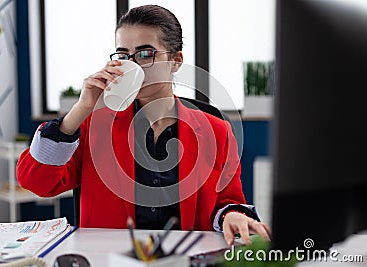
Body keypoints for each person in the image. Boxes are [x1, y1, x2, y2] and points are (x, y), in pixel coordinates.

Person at [16, 4, 270, 246]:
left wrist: (232, 216)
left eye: (145, 54)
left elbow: (228, 202)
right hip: (109, 257)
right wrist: (81, 109)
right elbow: (36, 182)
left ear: (176, 60)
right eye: (123, 56)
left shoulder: (217, 132)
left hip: (184, 256)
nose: (133, 65)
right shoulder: (95, 124)